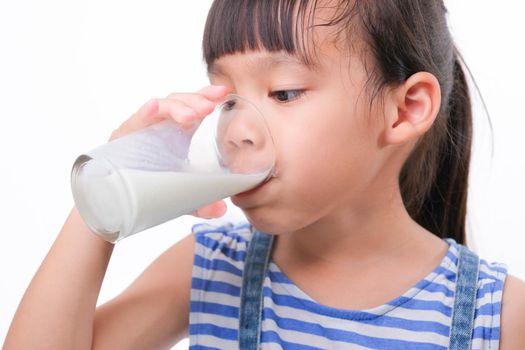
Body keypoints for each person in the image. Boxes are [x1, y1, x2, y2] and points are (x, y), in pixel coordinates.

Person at [4, 0, 525, 349]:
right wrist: (105, 194)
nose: (237, 130)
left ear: (406, 109)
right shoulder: (212, 269)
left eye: (283, 93)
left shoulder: (497, 315)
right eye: (227, 94)